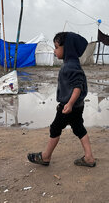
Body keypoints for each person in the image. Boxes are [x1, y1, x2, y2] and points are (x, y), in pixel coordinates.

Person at [27, 32, 96, 167]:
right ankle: (89, 157)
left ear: (68, 48)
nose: (54, 50)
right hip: (76, 105)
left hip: (68, 106)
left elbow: (77, 87)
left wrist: (69, 104)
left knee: (55, 129)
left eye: (57, 47)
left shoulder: (70, 66)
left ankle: (45, 156)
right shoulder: (72, 64)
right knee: (79, 129)